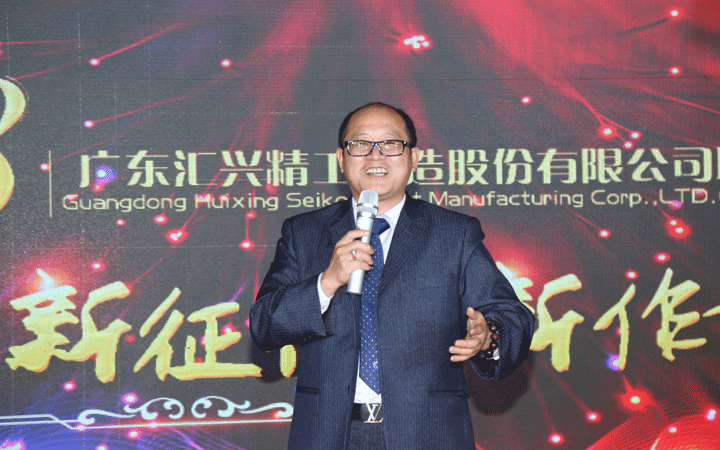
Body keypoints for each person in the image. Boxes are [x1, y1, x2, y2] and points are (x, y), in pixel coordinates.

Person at [250, 102, 535, 450]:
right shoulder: (304, 233)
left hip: (427, 436)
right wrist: (327, 281)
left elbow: (512, 315)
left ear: (413, 158)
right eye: (360, 144)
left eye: (390, 144)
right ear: (341, 159)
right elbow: (264, 325)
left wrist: (488, 336)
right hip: (328, 436)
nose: (375, 155)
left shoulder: (453, 234)